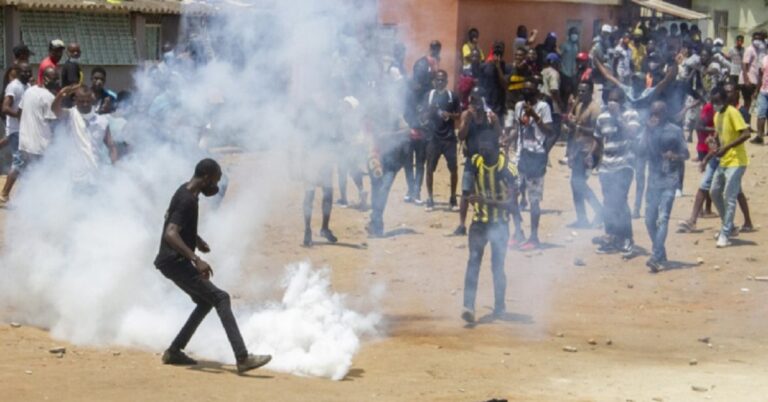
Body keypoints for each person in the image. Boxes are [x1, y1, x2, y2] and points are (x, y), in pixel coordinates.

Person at [154, 158, 272, 372]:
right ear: (206, 177)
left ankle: (174, 351)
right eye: (215, 181)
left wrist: (196, 239)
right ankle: (242, 358)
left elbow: (174, 222)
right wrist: (196, 259)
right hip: (174, 261)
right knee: (221, 298)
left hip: (170, 261)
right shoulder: (187, 200)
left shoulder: (186, 191)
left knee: (205, 301)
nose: (216, 186)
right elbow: (170, 233)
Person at [461, 135, 519, 324]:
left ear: (496, 149)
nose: (483, 153)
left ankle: (500, 307)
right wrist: (469, 198)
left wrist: (486, 201)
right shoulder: (475, 162)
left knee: (497, 266)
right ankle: (468, 307)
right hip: (479, 222)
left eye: (486, 149)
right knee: (473, 261)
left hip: (500, 224)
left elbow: (512, 204)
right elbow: (466, 189)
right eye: (481, 149)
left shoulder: (508, 169)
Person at [0, 67, 59, 203]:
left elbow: (20, 112)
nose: (57, 81)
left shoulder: (29, 91)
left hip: (25, 140)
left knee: (25, 169)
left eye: (57, 78)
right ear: (45, 79)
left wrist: (26, 127)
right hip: (40, 144)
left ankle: (17, 198)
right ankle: (10, 196)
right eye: (54, 78)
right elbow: (53, 124)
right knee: (33, 171)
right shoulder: (49, 97)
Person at [644, 100, 689, 273]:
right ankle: (660, 253)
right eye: (652, 114)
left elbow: (686, 154)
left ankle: (655, 257)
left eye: (658, 113)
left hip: (670, 178)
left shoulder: (675, 131)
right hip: (653, 180)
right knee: (649, 219)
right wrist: (648, 131)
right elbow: (641, 151)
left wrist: (674, 156)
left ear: (665, 113)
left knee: (663, 218)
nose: (654, 117)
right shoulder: (648, 130)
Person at [593, 87, 639, 256]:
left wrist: (618, 116)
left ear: (623, 102)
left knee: (620, 200)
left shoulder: (631, 115)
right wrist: (592, 156)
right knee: (608, 202)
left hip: (624, 164)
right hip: (606, 165)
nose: (612, 103)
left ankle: (627, 238)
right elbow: (598, 139)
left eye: (616, 100)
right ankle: (611, 236)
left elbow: (632, 134)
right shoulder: (602, 117)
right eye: (610, 100)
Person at [454, 87, 502, 236]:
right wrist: (467, 122)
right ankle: (462, 225)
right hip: (472, 159)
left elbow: (498, 135)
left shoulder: (490, 116)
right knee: (466, 192)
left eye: (478, 99)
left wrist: (496, 123)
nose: (476, 103)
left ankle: (490, 222)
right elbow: (461, 136)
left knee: (489, 190)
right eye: (473, 99)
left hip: (488, 161)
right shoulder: (466, 114)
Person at [511, 80, 554, 250]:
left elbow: (549, 132)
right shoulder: (518, 106)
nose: (526, 93)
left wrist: (534, 116)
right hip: (521, 155)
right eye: (524, 90)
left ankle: (534, 237)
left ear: (537, 92)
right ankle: (518, 232)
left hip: (537, 157)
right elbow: (517, 129)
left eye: (530, 90)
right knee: (511, 194)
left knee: (534, 200)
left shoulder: (544, 107)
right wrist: (507, 139)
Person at [51, 85, 119, 185]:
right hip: (74, 176)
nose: (85, 104)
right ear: (75, 100)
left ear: (92, 100)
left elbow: (111, 146)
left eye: (87, 101)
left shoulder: (102, 121)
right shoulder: (70, 115)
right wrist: (61, 94)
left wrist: (115, 167)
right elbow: (54, 109)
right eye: (81, 101)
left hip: (96, 174)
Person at [708, 86, 750, 248]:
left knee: (729, 196)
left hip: (737, 161)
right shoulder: (717, 115)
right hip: (724, 161)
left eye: (718, 101)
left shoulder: (733, 112)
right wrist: (714, 143)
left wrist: (727, 147)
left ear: (725, 100)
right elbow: (720, 136)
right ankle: (729, 226)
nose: (715, 105)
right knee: (714, 192)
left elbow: (746, 134)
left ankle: (725, 233)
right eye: (713, 102)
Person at [564, 81, 602, 228]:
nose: (580, 94)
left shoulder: (594, 109)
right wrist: (571, 152)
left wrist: (578, 126)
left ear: (591, 92)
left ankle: (599, 211)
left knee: (578, 183)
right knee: (575, 184)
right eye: (579, 91)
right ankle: (582, 218)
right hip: (579, 149)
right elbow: (575, 132)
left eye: (583, 91)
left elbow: (597, 133)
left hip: (589, 151)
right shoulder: (579, 106)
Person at [424, 70, 460, 211]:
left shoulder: (452, 96)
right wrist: (430, 111)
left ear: (446, 81)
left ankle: (453, 198)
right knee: (429, 169)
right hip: (433, 138)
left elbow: (459, 115)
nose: (440, 82)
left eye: (442, 80)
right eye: (438, 80)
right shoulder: (429, 96)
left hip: (449, 138)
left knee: (454, 169)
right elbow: (423, 116)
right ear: (434, 81)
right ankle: (430, 198)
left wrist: (449, 115)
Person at [0, 62, 31, 202]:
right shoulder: (14, 86)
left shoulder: (28, 86)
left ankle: (22, 196)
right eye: (24, 71)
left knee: (27, 163)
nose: (27, 74)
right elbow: (5, 108)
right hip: (15, 130)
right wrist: (18, 116)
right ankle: (4, 194)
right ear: (17, 72)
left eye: (29, 71)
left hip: (25, 130)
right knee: (19, 161)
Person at [742, 33, 762, 123]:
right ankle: (744, 123)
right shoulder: (749, 49)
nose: (758, 41)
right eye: (756, 38)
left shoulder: (758, 51)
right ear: (752, 39)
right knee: (747, 103)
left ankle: (747, 124)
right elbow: (744, 64)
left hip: (755, 81)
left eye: (759, 39)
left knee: (751, 104)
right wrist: (747, 80)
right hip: (749, 81)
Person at [560, 27, 581, 102]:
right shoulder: (564, 45)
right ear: (569, 34)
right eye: (573, 33)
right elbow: (560, 56)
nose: (575, 35)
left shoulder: (576, 46)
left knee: (573, 91)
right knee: (565, 90)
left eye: (576, 33)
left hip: (573, 73)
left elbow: (577, 58)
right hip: (564, 72)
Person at [753, 46, 768, 143]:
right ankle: (759, 136)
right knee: (761, 114)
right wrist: (756, 90)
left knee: (762, 114)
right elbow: (760, 76)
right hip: (764, 91)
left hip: (764, 91)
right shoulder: (764, 59)